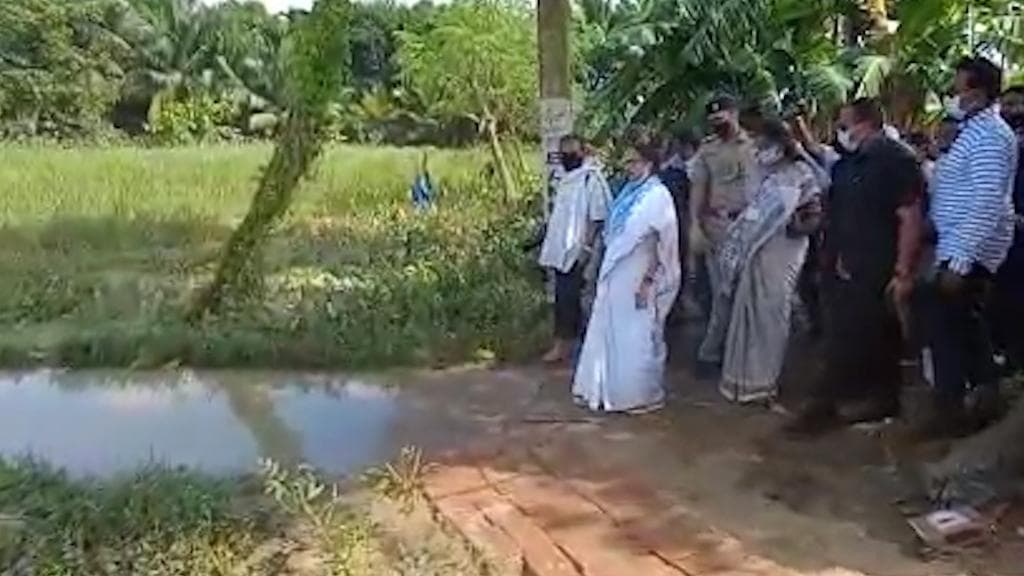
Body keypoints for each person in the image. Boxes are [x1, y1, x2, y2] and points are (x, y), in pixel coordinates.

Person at [787, 98, 924, 434]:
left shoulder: (896, 160)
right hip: (842, 261)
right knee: (850, 333)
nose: (841, 131)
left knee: (868, 334)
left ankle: (847, 404)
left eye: (846, 124)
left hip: (877, 262)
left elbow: (909, 216)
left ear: (867, 123)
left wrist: (903, 270)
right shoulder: (849, 163)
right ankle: (860, 399)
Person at [924, 57, 1018, 436]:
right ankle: (976, 399)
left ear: (977, 93)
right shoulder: (970, 132)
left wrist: (960, 261)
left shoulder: (991, 136)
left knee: (952, 327)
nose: (952, 95)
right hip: (956, 242)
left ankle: (955, 411)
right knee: (960, 326)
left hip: (971, 247)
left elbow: (987, 200)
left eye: (957, 88)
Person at [698, 118, 822, 403]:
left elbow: (813, 216)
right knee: (747, 314)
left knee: (772, 315)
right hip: (756, 254)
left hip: (783, 253)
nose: (758, 149)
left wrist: (791, 224)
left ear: (780, 145)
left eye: (763, 144)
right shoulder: (761, 175)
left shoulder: (801, 173)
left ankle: (765, 383)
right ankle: (741, 382)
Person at [573, 137, 681, 413]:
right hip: (615, 275)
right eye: (626, 162)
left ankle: (637, 395)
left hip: (639, 276)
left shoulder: (658, 196)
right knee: (610, 331)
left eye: (633, 161)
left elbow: (663, 243)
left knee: (637, 335)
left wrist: (648, 281)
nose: (628, 167)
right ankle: (603, 390)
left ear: (648, 162)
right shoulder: (628, 193)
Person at [539, 134, 612, 363]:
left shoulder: (591, 179)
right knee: (563, 299)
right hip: (561, 250)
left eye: (572, 151)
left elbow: (597, 218)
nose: (568, 156)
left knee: (579, 300)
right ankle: (564, 346)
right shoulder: (565, 179)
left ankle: (583, 349)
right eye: (564, 152)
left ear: (583, 152)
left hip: (580, 251)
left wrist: (587, 249)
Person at [689, 95, 759, 322]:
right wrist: (695, 225)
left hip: (749, 225)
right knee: (722, 292)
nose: (718, 123)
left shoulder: (754, 145)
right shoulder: (708, 149)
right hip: (718, 226)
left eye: (722, 117)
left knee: (747, 292)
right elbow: (699, 187)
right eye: (713, 119)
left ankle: (738, 347)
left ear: (734, 114)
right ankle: (716, 350)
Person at [992, 86, 1024, 371]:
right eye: (1005, 105)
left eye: (1015, 105)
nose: (1009, 111)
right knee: (1003, 299)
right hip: (1003, 236)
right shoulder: (1001, 142)